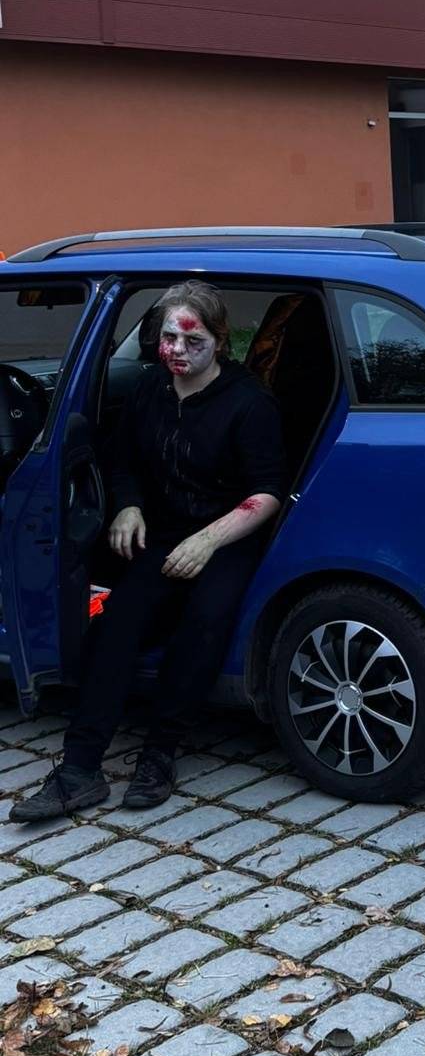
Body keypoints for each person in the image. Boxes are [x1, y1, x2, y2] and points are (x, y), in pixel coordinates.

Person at [12, 281, 287, 821]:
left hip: (226, 537)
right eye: (167, 338)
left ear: (220, 340)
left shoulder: (249, 402)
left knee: (204, 622)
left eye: (192, 339)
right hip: (161, 533)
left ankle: (159, 753)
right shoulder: (148, 390)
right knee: (116, 625)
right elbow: (123, 461)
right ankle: (78, 770)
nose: (177, 351)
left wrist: (209, 539)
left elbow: (268, 492)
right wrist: (129, 505)